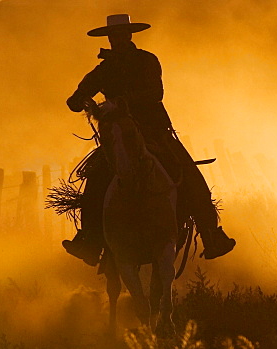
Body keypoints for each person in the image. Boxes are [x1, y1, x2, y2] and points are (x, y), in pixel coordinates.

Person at [62, 14, 236, 265]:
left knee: (192, 178)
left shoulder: (147, 61)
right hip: (119, 136)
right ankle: (89, 239)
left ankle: (211, 234)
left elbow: (156, 93)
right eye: (115, 36)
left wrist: (121, 102)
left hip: (154, 132)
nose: (118, 39)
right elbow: (75, 100)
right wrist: (79, 100)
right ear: (110, 38)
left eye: (122, 35)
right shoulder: (103, 70)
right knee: (94, 183)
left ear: (129, 36)